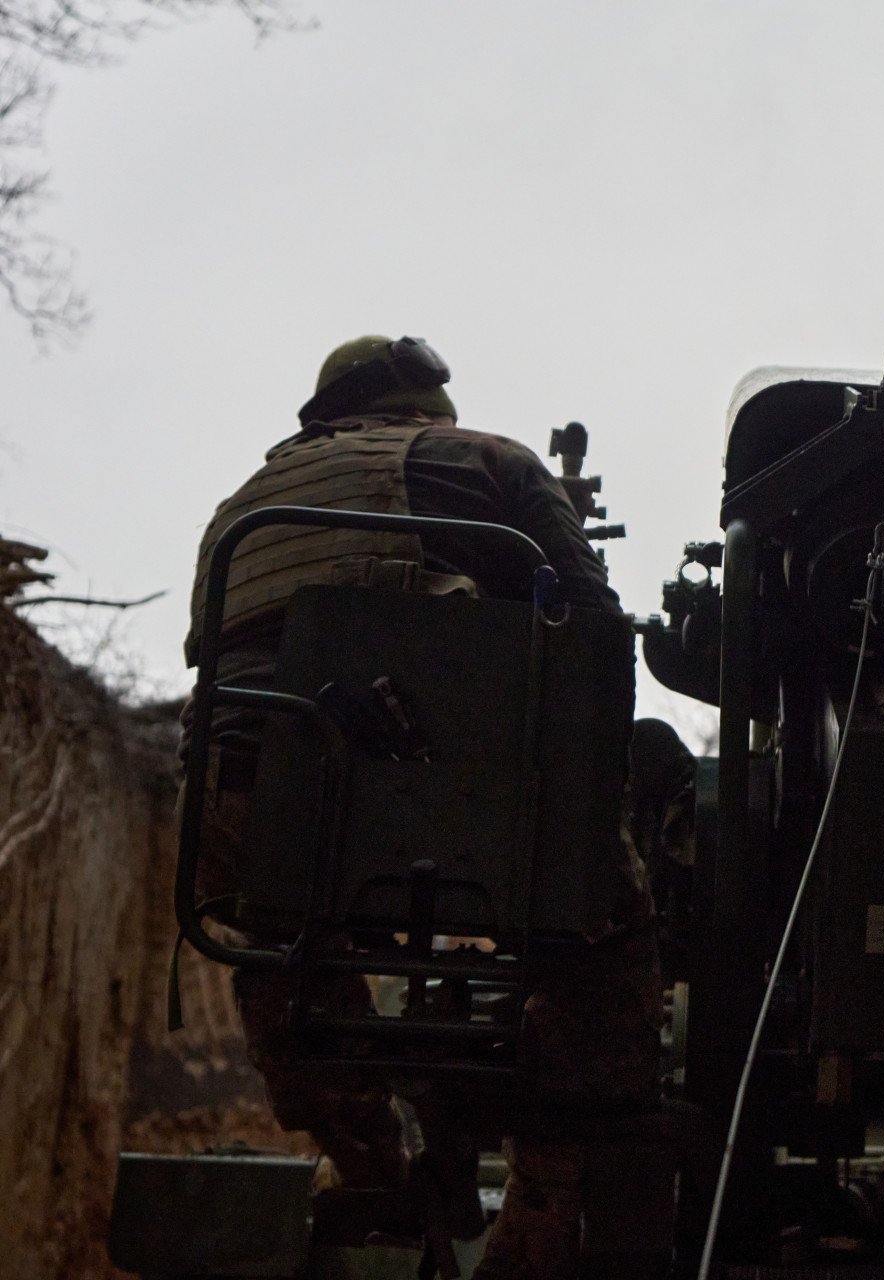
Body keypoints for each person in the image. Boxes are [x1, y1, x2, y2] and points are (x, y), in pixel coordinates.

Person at [180, 335, 661, 1279]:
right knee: (610, 925)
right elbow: (596, 645)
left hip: (253, 823)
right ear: (425, 404)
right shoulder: (491, 463)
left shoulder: (242, 506)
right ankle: (546, 1197)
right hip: (459, 822)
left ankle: (370, 1167)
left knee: (276, 936)